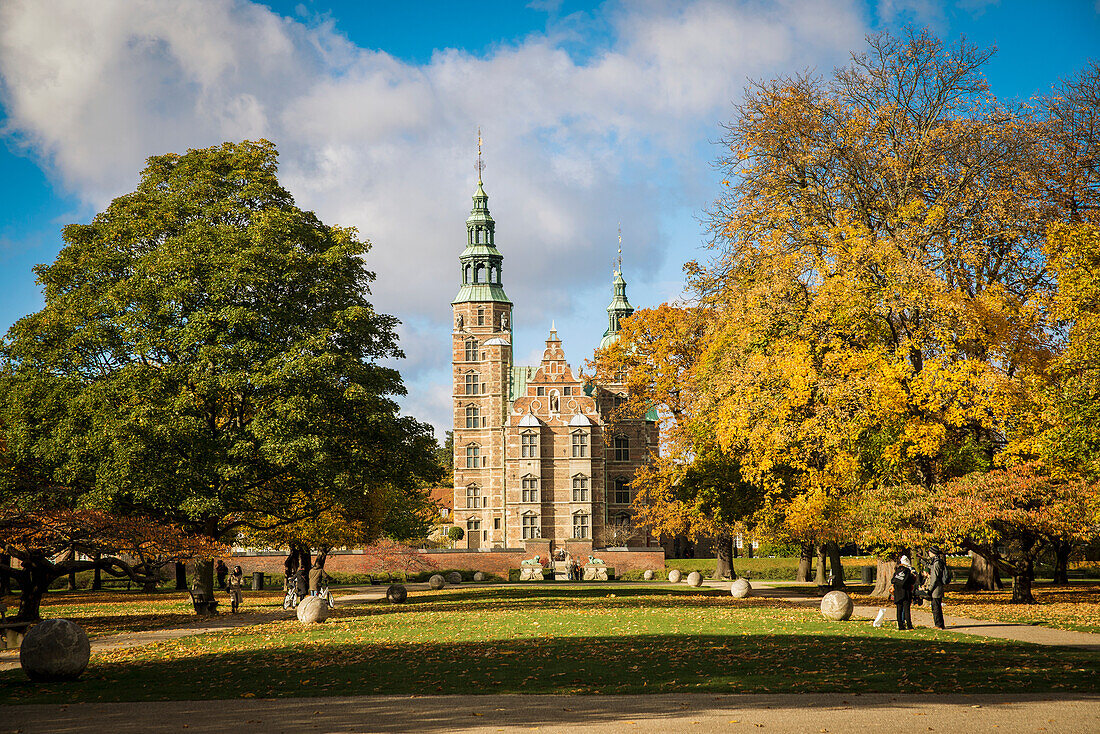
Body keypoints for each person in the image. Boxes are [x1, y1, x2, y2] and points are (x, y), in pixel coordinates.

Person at [891, 555, 916, 630]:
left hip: (898, 593)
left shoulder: (897, 571)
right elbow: (912, 581)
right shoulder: (908, 571)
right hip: (906, 593)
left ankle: (900, 625)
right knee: (906, 610)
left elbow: (893, 580)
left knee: (899, 610)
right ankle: (909, 625)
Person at [927, 549, 948, 629]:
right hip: (937, 588)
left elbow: (935, 577)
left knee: (936, 607)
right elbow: (932, 568)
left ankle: (938, 624)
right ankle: (939, 624)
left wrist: (930, 589)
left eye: (930, 552)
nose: (929, 553)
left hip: (936, 589)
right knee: (936, 606)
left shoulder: (937, 562)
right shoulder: (937, 562)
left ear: (933, 553)